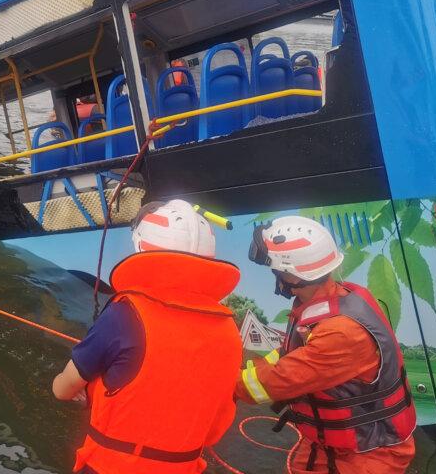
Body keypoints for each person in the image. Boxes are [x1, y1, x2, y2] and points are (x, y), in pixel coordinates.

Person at [51, 199, 243, 474]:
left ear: (142, 247)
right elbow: (214, 424)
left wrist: (83, 387)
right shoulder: (229, 330)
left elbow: (62, 390)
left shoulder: (124, 314)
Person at [237, 216, 416, 474]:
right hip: (329, 446)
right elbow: (292, 356)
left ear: (293, 275)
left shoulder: (340, 333)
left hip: (366, 456)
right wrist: (246, 366)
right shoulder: (331, 301)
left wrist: (224, 385)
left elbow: (279, 380)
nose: (274, 275)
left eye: (276, 270)